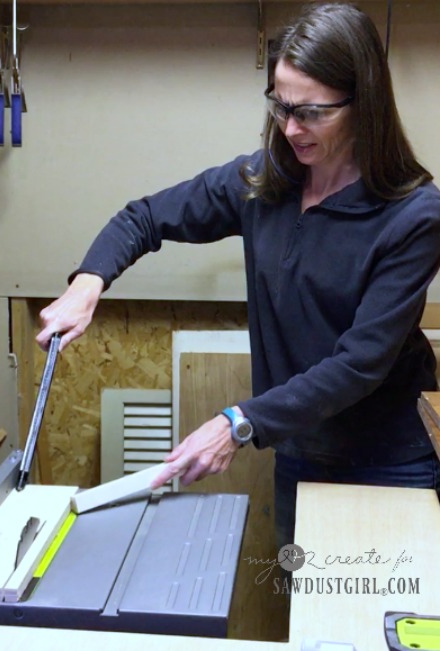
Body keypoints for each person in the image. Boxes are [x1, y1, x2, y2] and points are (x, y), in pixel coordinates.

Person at [36, 2, 440, 550]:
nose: (290, 128)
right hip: (300, 451)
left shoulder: (413, 216)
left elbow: (359, 365)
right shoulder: (262, 182)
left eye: (312, 112)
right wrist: (88, 283)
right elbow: (145, 216)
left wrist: (237, 423)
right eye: (280, 105)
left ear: (362, 102)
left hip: (390, 461)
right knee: (306, 613)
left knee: (376, 621)